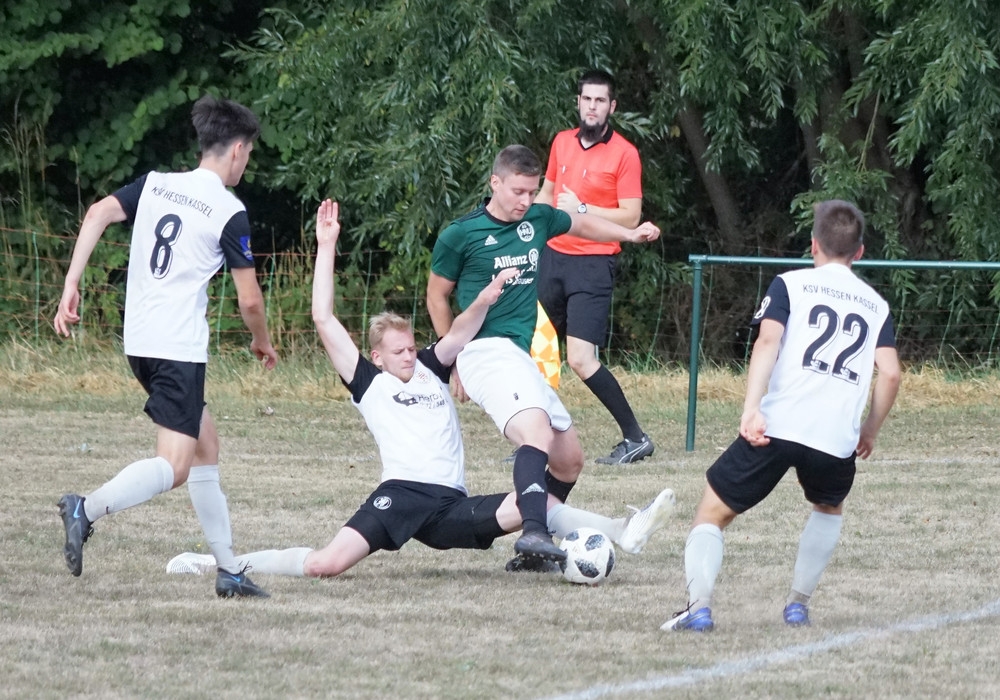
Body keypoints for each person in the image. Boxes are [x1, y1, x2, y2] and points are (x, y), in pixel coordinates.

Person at [166, 200, 675, 579]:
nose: (410, 355)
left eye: (412, 347)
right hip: (402, 495)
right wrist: (326, 246)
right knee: (326, 565)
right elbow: (323, 317)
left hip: (449, 506)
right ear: (377, 357)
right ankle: (220, 562)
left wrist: (486, 298)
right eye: (399, 351)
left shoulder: (432, 367)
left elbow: (461, 331)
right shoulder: (367, 382)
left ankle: (620, 530)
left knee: (531, 500)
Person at [53, 95, 279, 598]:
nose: (246, 162)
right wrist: (261, 341)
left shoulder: (156, 183)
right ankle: (84, 508)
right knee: (175, 467)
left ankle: (228, 571)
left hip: (139, 340)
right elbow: (249, 300)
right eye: (248, 153)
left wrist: (72, 282)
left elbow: (97, 213)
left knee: (205, 445)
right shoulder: (229, 210)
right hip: (177, 347)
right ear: (238, 150)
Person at [662, 200, 901, 632]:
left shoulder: (791, 284)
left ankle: (698, 608)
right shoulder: (876, 305)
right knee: (828, 507)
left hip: (778, 424)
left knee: (712, 513)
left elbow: (767, 342)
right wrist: (869, 429)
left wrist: (751, 408)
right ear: (860, 252)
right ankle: (797, 606)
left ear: (814, 245)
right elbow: (891, 373)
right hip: (834, 437)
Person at [426, 144, 660, 570]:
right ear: (495, 182)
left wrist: (628, 235)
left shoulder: (537, 218)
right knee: (535, 435)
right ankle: (534, 533)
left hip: (519, 356)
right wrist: (450, 359)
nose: (525, 200)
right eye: (517, 191)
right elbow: (436, 296)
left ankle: (537, 552)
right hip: (483, 351)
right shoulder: (461, 234)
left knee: (568, 461)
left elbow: (581, 223)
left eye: (532, 192)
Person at [534, 69, 653, 466]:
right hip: (552, 257)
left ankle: (635, 437)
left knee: (581, 360)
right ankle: (535, 441)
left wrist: (583, 209)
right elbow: (548, 193)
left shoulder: (625, 153)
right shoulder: (561, 142)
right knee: (536, 351)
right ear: (578, 102)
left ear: (611, 107)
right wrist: (524, 222)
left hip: (594, 263)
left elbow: (630, 215)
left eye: (600, 100)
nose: (592, 106)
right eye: (587, 99)